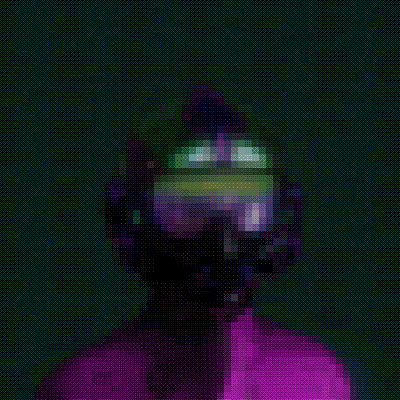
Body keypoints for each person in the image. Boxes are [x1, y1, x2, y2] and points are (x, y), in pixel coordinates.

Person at [34, 85, 351, 399]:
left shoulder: (318, 380)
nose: (222, 240)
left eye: (246, 202)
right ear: (136, 215)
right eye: (189, 203)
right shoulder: (82, 388)